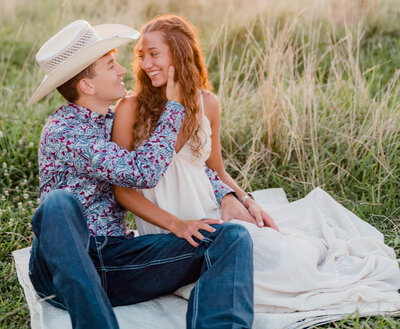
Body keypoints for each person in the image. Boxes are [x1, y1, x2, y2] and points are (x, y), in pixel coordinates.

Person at [112, 14, 400, 317]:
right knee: (252, 285)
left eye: (154, 54)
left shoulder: (207, 103)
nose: (145, 64)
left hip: (211, 218)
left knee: (289, 265)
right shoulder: (130, 109)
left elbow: (217, 171)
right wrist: (177, 225)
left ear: (180, 54)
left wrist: (246, 200)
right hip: (168, 232)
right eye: (141, 56)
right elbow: (124, 192)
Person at [28, 19, 255, 329]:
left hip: (116, 262)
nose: (123, 70)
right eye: (110, 65)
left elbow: (179, 166)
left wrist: (228, 193)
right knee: (58, 205)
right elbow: (143, 171)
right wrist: (174, 108)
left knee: (230, 238)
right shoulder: (65, 130)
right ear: (87, 85)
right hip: (61, 269)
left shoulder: (117, 117)